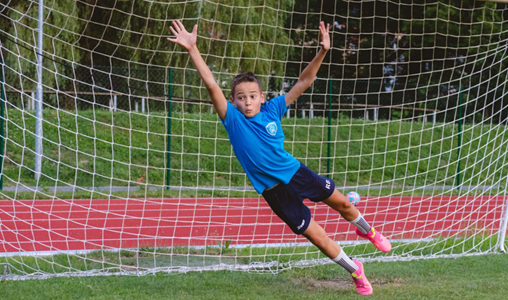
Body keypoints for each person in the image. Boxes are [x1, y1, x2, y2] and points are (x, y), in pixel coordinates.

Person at [167, 20, 391, 295]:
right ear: (233, 101)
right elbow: (212, 84)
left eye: (252, 96)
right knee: (318, 237)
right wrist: (193, 49)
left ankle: (366, 230)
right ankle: (356, 270)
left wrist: (322, 51)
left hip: (297, 174)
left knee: (344, 204)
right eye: (240, 98)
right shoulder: (233, 120)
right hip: (276, 193)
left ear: (262, 97)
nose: (247, 102)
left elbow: (304, 82)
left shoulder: (273, 110)